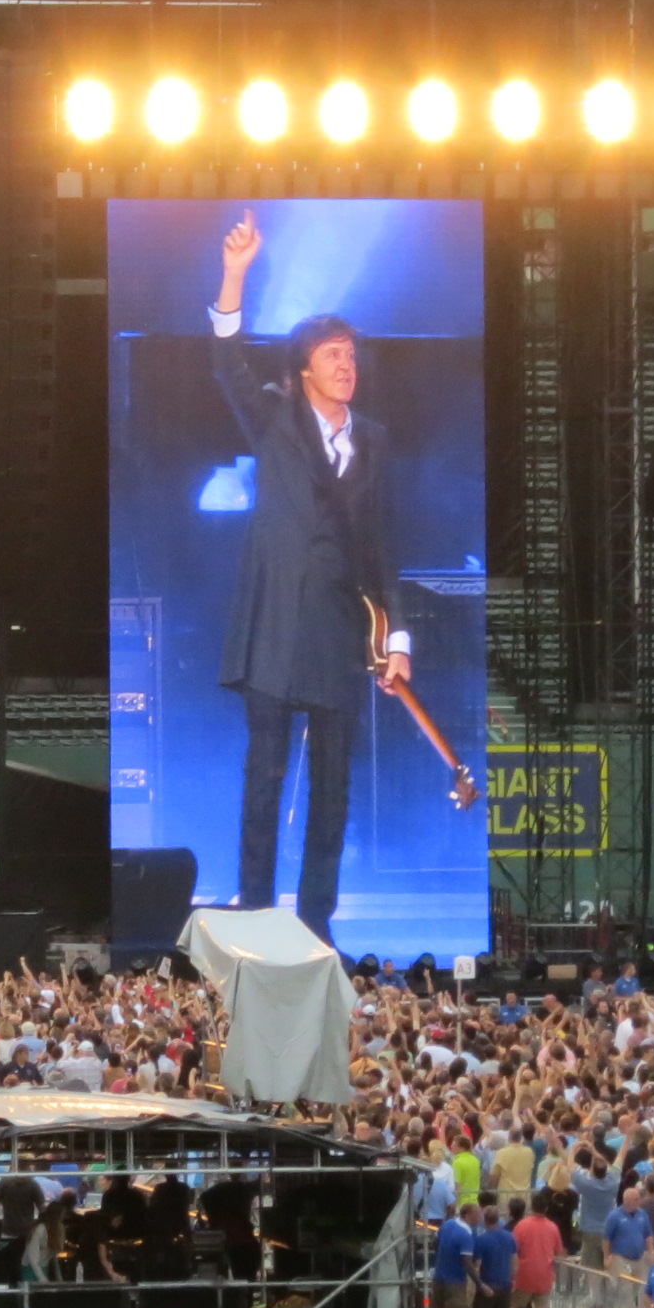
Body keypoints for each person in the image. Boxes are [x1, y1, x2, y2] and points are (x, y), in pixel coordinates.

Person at [208, 210, 408, 943]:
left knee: (333, 791)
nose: (346, 365)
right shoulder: (276, 419)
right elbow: (226, 362)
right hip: (274, 621)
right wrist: (234, 274)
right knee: (264, 776)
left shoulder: (375, 441)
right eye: (331, 355)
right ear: (303, 371)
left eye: (350, 354)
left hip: (336, 629)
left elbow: (381, 543)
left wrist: (396, 637)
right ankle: (257, 913)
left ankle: (318, 924)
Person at [509, 1194, 561, 1308]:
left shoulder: (522, 1226)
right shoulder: (553, 1227)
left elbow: (513, 1249)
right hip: (545, 1274)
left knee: (512, 1306)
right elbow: (559, 1251)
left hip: (524, 1274)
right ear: (546, 1208)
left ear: (532, 1206)